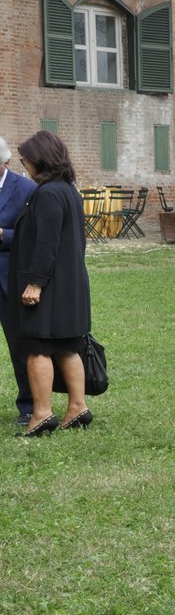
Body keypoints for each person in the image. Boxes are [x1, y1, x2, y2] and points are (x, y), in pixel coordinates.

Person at [11, 131, 92, 437]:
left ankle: (42, 413)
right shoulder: (69, 191)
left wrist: (36, 284)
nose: (25, 165)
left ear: (40, 160)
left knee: (37, 348)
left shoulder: (46, 194)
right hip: (70, 284)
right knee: (67, 347)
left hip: (48, 287)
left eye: (26, 159)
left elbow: (46, 244)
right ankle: (77, 407)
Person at [0, 138, 40, 426]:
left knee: (19, 345)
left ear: (5, 163)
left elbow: (35, 236)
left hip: (8, 281)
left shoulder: (27, 189)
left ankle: (28, 406)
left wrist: (4, 235)